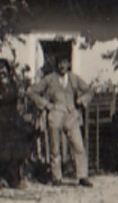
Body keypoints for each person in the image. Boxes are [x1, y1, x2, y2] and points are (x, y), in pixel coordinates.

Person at [28, 57, 93, 187]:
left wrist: (82, 101)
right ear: (56, 65)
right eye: (60, 63)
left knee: (79, 146)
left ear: (69, 64)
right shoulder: (49, 79)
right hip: (55, 114)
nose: (62, 66)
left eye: (65, 63)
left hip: (72, 116)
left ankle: (82, 176)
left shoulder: (74, 78)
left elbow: (89, 91)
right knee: (55, 147)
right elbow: (32, 92)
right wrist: (46, 104)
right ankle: (56, 177)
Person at [0, 58, 31, 188]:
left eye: (3, 68)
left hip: (12, 118)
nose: (1, 71)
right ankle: (6, 177)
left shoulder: (13, 84)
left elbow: (17, 103)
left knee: (18, 143)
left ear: (8, 70)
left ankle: (16, 177)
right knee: (3, 146)